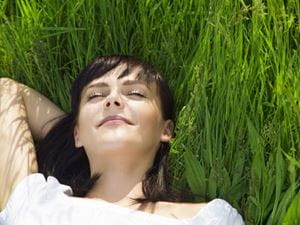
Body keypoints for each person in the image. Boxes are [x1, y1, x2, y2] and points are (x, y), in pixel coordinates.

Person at [0, 55, 244, 225]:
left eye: (135, 93)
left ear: (166, 130)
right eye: (96, 96)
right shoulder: (34, 202)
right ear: (77, 134)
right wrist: (84, 132)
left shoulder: (210, 219)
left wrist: (94, 129)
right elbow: (7, 91)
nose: (112, 100)